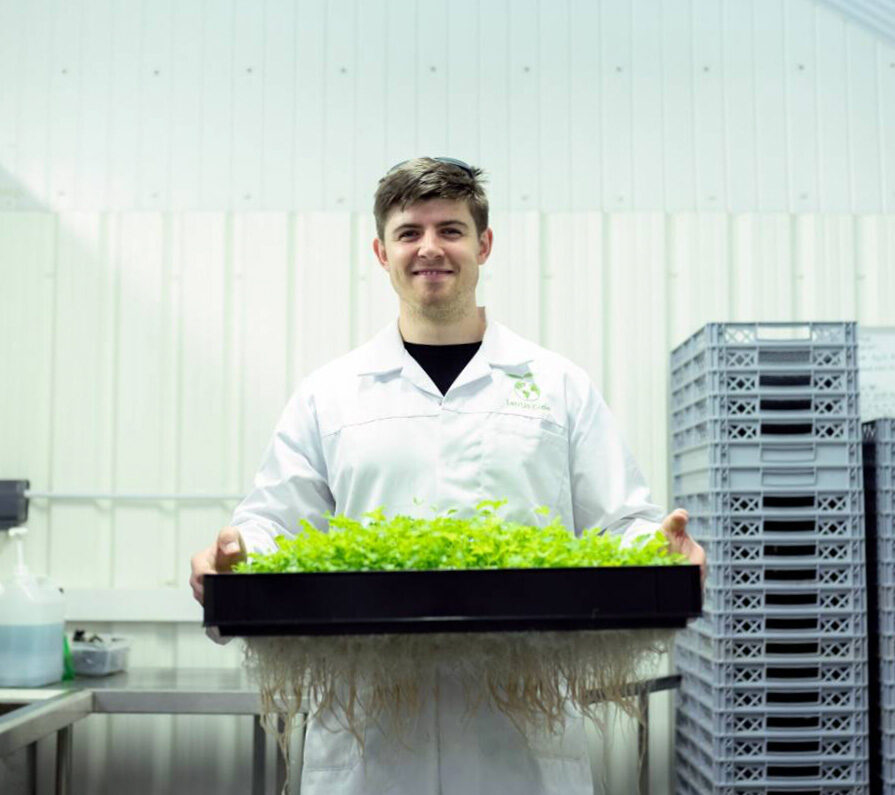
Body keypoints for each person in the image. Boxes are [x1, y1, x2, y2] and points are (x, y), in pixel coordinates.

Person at [190, 157, 706, 794]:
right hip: (371, 743)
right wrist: (233, 558)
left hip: (521, 742)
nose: (429, 248)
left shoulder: (556, 386)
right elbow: (273, 524)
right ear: (381, 253)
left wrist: (659, 553)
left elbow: (619, 523)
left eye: (451, 230)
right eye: (409, 233)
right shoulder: (330, 393)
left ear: (483, 245)